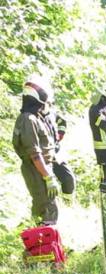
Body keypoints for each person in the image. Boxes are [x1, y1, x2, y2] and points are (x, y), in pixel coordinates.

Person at [12, 75, 60, 224]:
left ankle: (39, 242)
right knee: (47, 208)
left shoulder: (34, 117)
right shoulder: (28, 119)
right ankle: (44, 245)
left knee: (43, 206)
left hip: (40, 169)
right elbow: (34, 153)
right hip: (36, 170)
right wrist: (47, 176)